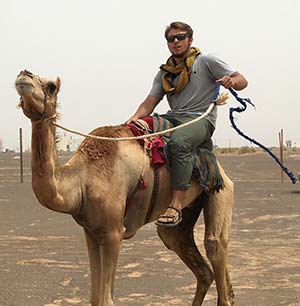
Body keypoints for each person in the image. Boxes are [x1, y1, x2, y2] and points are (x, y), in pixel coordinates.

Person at [126, 21, 248, 226]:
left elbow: (242, 80)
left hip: (200, 119)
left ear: (190, 40)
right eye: (171, 39)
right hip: (174, 117)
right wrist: (134, 118)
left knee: (179, 142)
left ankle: (175, 205)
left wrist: (231, 81)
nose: (175, 42)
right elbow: (150, 101)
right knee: (134, 130)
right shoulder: (165, 73)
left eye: (180, 37)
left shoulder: (206, 61)